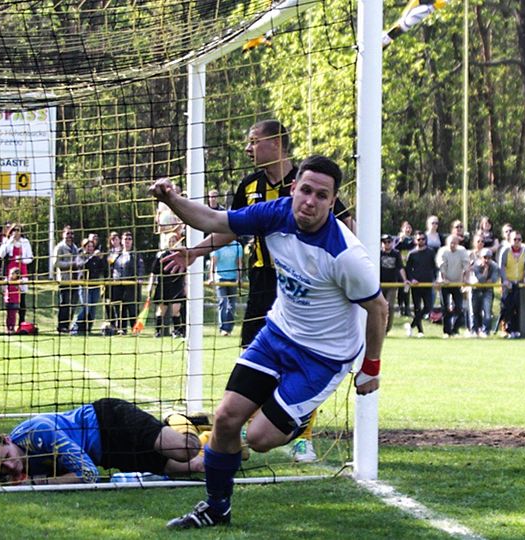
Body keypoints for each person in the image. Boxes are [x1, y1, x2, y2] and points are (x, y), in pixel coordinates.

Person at [150, 155, 387, 529]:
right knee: (226, 419)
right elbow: (214, 220)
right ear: (294, 189)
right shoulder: (273, 214)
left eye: (321, 195)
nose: (310, 201)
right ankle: (216, 507)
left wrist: (370, 367)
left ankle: (298, 415)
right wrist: (171, 200)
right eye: (305, 190)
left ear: (332, 202)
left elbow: (378, 308)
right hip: (277, 335)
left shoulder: (346, 255)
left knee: (259, 439)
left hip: (323, 358)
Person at [161, 120, 352, 463]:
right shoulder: (249, 186)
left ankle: (301, 437)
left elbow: (346, 227)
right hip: (263, 281)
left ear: (276, 142)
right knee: (254, 355)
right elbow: (230, 227)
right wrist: (195, 253)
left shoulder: (310, 183)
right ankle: (247, 431)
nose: (248, 148)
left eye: (254, 141)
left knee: (304, 362)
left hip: (307, 287)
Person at [0, 398, 205, 484]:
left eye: (7, 458)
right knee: (195, 467)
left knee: (187, 450)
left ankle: (178, 419)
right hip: (110, 454)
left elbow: (89, 474)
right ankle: (215, 442)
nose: (9, 467)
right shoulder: (6, 477)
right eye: (0, 467)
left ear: (7, 439)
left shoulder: (40, 433)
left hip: (110, 420)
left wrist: (39, 482)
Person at [498, 229, 525, 338]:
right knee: (506, 307)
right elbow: (501, 266)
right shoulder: (505, 250)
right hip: (508, 283)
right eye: (515, 239)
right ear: (510, 240)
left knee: (517, 307)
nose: (517, 241)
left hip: (519, 282)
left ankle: (515, 329)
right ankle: (505, 329)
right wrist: (505, 280)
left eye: (519, 239)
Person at [148, 231, 186, 338]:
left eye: (174, 241)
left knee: (176, 310)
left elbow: (185, 272)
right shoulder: (162, 256)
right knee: (161, 311)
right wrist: (150, 285)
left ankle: (177, 331)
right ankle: (158, 331)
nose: (172, 243)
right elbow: (154, 272)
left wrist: (186, 286)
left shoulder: (181, 256)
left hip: (177, 286)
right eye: (170, 241)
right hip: (164, 285)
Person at [0, 224, 33, 329]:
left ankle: (21, 324)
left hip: (22, 272)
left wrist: (22, 259)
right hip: (10, 273)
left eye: (18, 230)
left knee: (22, 299)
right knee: (10, 299)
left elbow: (30, 258)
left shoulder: (25, 242)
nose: (16, 232)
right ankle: (10, 325)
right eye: (14, 230)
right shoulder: (7, 241)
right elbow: (0, 254)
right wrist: (9, 242)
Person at [71, 238, 108, 335]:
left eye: (92, 246)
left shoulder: (96, 258)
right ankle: (75, 326)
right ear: (84, 247)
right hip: (84, 286)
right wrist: (92, 257)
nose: (90, 248)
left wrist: (102, 258)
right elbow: (81, 265)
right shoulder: (80, 256)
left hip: (95, 286)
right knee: (86, 308)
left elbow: (103, 268)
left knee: (93, 309)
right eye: (88, 246)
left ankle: (88, 329)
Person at [404, 231, 437, 338]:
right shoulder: (412, 253)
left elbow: (434, 267)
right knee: (417, 308)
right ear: (415, 240)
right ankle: (420, 331)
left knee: (428, 307)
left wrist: (435, 279)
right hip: (416, 285)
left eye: (423, 239)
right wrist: (411, 279)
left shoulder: (431, 252)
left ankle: (411, 326)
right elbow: (408, 269)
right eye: (419, 239)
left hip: (428, 283)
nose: (421, 241)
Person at [436, 234, 469, 338]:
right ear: (447, 243)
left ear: (458, 243)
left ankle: (455, 329)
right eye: (451, 243)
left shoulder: (462, 251)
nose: (453, 245)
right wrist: (444, 279)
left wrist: (465, 279)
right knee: (445, 308)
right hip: (445, 283)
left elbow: (466, 265)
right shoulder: (443, 251)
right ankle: (447, 332)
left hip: (457, 283)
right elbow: (442, 266)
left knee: (459, 308)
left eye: (455, 243)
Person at [111, 232, 145, 334]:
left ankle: (135, 329)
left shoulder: (136, 254)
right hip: (118, 284)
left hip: (131, 285)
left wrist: (140, 277)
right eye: (125, 239)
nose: (127, 241)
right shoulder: (116, 254)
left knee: (132, 308)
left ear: (132, 241)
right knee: (119, 307)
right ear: (121, 241)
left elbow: (140, 267)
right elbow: (110, 266)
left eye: (129, 239)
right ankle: (122, 329)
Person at [209, 238, 243, 337]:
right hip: (220, 278)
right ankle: (223, 328)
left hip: (233, 279)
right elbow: (213, 263)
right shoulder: (217, 246)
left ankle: (229, 328)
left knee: (232, 305)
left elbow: (239, 263)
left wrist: (239, 278)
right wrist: (211, 278)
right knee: (222, 302)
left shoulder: (237, 246)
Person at [379, 234, 408, 334]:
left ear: (392, 243)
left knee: (390, 306)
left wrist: (405, 280)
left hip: (392, 284)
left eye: (389, 242)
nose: (386, 244)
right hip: (380, 284)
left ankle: (387, 329)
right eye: (384, 242)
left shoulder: (396, 254)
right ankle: (379, 327)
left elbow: (400, 267)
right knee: (379, 306)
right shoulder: (378, 253)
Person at [53, 226, 80, 333]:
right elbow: (56, 263)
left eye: (71, 233)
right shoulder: (59, 247)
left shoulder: (75, 247)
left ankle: (68, 325)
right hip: (64, 280)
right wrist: (70, 264)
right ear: (63, 234)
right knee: (65, 303)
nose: (70, 236)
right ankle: (61, 326)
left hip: (75, 280)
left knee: (73, 304)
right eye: (68, 233)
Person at [469, 247, 500, 337]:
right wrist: (486, 272)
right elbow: (481, 280)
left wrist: (484, 280)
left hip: (488, 290)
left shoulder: (495, 266)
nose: (486, 260)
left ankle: (486, 331)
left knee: (487, 311)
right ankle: (474, 331)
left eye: (489, 258)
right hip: (475, 289)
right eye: (485, 257)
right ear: (480, 257)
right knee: (474, 311)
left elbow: (493, 280)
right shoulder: (475, 266)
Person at [4, 267, 23, 333]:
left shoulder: (19, 281)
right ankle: (8, 328)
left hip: (15, 301)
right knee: (9, 315)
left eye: (13, 274)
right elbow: (3, 288)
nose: (11, 275)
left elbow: (22, 289)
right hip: (8, 300)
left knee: (13, 315)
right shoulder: (7, 280)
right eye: (11, 273)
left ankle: (12, 328)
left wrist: (19, 285)